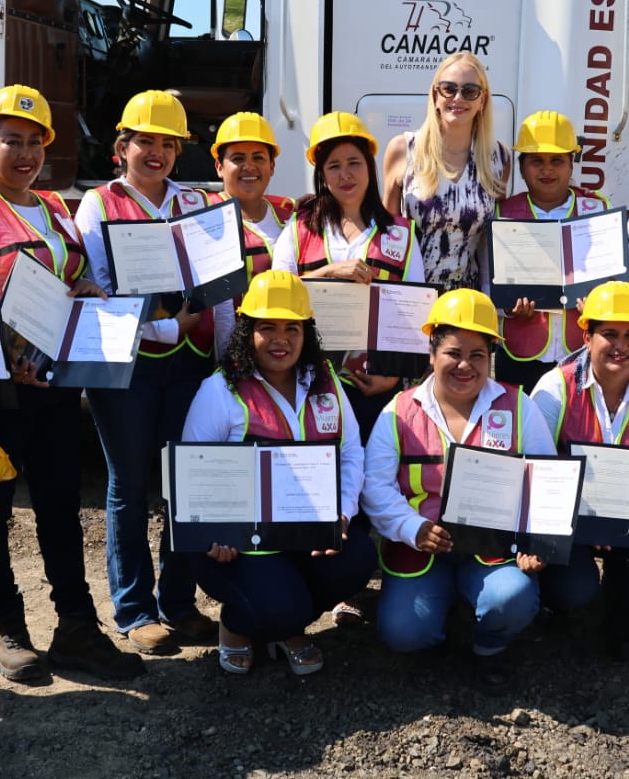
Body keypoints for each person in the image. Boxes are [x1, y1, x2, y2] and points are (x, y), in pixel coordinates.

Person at [0, 85, 139, 682]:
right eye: (10, 141)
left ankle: (76, 628)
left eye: (33, 142)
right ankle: (8, 628)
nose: (23, 154)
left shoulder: (51, 208)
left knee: (59, 507)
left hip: (52, 385)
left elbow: (66, 283)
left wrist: (88, 293)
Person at [75, 89, 218, 655]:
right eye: (145, 142)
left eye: (167, 143)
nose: (156, 153)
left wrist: (194, 324)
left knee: (184, 481)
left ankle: (179, 604)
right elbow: (99, 289)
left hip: (188, 365)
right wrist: (166, 325)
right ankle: (134, 611)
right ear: (121, 146)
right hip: (126, 363)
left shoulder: (196, 203)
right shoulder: (99, 204)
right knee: (129, 485)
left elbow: (213, 282)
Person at [182, 271, 377, 675]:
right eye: (266, 327)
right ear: (245, 329)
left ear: (306, 333)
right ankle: (239, 625)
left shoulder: (327, 382)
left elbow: (352, 452)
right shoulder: (220, 391)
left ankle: (288, 624)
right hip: (240, 544)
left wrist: (341, 512)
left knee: (357, 558)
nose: (280, 340)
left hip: (308, 531)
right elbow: (192, 477)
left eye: (292, 328)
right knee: (280, 605)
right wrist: (213, 533)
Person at [361, 289, 554, 694]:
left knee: (513, 598)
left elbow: (546, 480)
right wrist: (410, 527)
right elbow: (375, 487)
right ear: (431, 353)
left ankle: (489, 645)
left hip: (493, 547)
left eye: (478, 354)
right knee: (402, 632)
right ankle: (436, 622)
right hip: (419, 546)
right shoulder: (398, 409)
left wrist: (535, 541)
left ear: (491, 358)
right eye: (453, 352)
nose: (465, 365)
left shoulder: (520, 406)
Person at [528, 281, 629, 659]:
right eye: (609, 334)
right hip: (568, 518)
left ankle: (621, 627)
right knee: (574, 590)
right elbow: (533, 470)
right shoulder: (555, 387)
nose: (622, 345)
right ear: (586, 336)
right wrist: (585, 517)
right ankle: (555, 604)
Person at [271, 111, 425, 433]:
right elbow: (275, 295)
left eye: (353, 162)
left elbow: (415, 314)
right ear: (322, 175)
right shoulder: (298, 228)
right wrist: (327, 272)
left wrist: (393, 376)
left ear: (369, 165)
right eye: (334, 166)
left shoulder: (402, 233)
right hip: (308, 383)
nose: (345, 175)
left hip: (375, 386)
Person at [493, 110, 612, 390]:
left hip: (582, 352)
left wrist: (599, 304)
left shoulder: (597, 210)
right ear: (522, 167)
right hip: (520, 354)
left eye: (557, 160)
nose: (547, 170)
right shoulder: (503, 212)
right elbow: (489, 284)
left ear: (571, 164)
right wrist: (508, 309)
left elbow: (618, 282)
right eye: (536, 161)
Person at [383, 51, 510, 292]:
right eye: (449, 89)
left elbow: (493, 241)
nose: (458, 98)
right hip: (412, 296)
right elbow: (386, 232)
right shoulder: (403, 150)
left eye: (470, 91)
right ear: (435, 95)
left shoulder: (498, 158)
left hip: (468, 304)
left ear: (482, 100)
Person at [207, 111, 295, 359]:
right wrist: (229, 362)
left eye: (258, 157)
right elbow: (220, 308)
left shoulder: (289, 214)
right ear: (219, 167)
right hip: (226, 357)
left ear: (272, 166)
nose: (249, 166)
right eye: (238, 158)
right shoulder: (204, 219)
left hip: (282, 352)